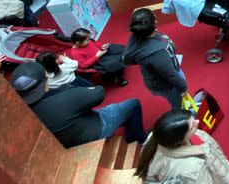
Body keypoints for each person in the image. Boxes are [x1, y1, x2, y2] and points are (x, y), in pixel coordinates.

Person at [10, 62, 146, 148]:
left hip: (66, 142)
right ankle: (137, 138)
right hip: (94, 132)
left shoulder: (22, 111)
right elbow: (99, 93)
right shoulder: (64, 97)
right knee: (133, 104)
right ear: (46, 79)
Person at [123, 9, 188, 109]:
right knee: (178, 105)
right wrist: (183, 88)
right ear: (155, 22)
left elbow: (127, 59)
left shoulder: (136, 35)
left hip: (156, 76)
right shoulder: (157, 53)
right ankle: (179, 118)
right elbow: (171, 75)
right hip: (168, 84)